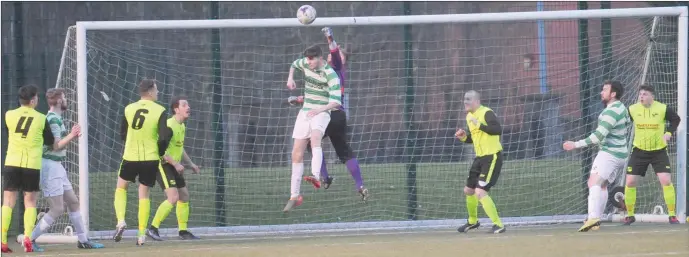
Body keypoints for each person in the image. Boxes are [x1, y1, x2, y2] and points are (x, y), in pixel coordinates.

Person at [291, 27, 368, 201]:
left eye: (337, 54)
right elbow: (319, 96)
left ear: (342, 59)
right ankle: (360, 185)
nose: (331, 56)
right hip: (339, 116)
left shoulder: (336, 67)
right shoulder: (326, 73)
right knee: (344, 151)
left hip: (328, 114)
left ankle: (324, 177)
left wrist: (329, 37)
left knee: (310, 142)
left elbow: (334, 52)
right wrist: (300, 99)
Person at [30, 88, 104, 251]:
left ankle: (83, 240)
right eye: (64, 98)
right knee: (57, 208)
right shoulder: (52, 120)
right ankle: (31, 239)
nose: (66, 100)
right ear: (57, 101)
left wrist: (71, 135)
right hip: (49, 165)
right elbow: (55, 146)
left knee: (73, 202)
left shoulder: (56, 118)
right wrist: (72, 135)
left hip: (57, 166)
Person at [563, 80, 630, 232]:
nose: (601, 92)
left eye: (605, 90)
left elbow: (598, 136)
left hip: (609, 153)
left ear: (613, 94)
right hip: (620, 154)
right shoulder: (622, 108)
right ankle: (597, 219)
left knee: (593, 183)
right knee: (602, 185)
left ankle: (593, 218)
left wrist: (575, 144)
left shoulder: (611, 111)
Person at [113, 79, 171, 245]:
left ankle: (121, 220)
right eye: (157, 90)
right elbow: (164, 136)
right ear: (151, 91)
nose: (158, 93)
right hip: (150, 158)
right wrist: (159, 152)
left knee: (121, 187)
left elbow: (122, 133)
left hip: (130, 156)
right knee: (143, 194)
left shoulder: (129, 108)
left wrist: (130, 144)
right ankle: (141, 235)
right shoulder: (160, 110)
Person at [283, 45, 342, 212]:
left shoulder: (331, 75)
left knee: (315, 138)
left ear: (320, 58)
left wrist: (320, 110)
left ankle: (316, 176)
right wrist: (290, 78)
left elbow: (336, 102)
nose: (308, 63)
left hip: (322, 112)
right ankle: (294, 196)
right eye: (307, 60)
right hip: (305, 113)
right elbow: (294, 64)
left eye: (311, 60)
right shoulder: (304, 63)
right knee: (296, 153)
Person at [1, 85, 55, 253]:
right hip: (31, 165)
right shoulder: (40, 118)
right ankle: (27, 238)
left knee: (8, 201)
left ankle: (2, 240)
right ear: (33, 100)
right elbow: (49, 141)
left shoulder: (9, 115)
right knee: (30, 201)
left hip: (12, 162)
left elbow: (9, 134)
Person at [623, 85, 680, 225]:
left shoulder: (662, 108)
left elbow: (676, 119)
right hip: (639, 150)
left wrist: (668, 133)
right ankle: (630, 215)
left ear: (652, 96)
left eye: (645, 94)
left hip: (658, 151)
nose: (642, 96)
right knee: (630, 182)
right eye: (640, 94)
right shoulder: (632, 109)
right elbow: (622, 122)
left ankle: (672, 215)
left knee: (666, 180)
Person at [147, 96, 201, 241]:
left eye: (188, 104)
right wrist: (176, 164)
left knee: (184, 196)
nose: (188, 107)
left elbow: (180, 147)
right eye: (184, 105)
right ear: (176, 109)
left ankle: (183, 231)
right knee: (173, 197)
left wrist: (191, 164)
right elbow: (160, 150)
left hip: (173, 166)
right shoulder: (169, 126)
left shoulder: (182, 126)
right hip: (163, 164)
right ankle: (153, 228)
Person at [455, 90, 506, 234]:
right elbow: (474, 138)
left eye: (468, 99)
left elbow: (497, 130)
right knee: (469, 190)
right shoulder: (469, 116)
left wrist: (480, 125)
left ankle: (498, 224)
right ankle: (472, 222)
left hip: (492, 157)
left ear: (477, 101)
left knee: (480, 191)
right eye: (464, 99)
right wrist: (464, 137)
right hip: (479, 158)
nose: (465, 102)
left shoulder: (486, 112)